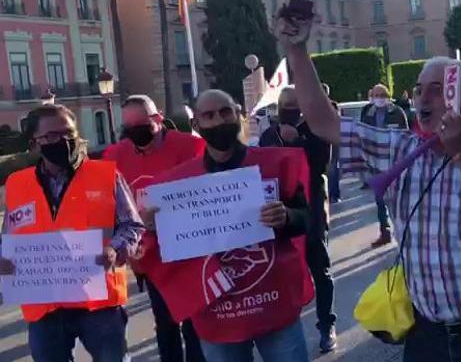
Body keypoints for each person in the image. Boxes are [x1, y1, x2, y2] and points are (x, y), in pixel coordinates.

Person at [277, 5, 461, 362]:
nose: (424, 98)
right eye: (419, 90)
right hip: (426, 337)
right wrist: (296, 49)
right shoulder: (399, 149)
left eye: (437, 89)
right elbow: (323, 122)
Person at [139, 90, 313, 362]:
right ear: (196, 126)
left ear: (238, 115)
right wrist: (152, 227)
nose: (219, 120)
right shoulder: (176, 186)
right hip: (217, 315)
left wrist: (287, 216)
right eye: (209, 116)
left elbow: (307, 218)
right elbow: (161, 251)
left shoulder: (275, 164)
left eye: (225, 112)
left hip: (274, 305)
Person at [0, 104, 145, 362]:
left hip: (98, 302)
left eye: (69, 133)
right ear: (35, 143)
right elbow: (9, 239)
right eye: (52, 136)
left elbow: (132, 225)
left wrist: (116, 248)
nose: (64, 141)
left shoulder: (105, 175)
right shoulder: (17, 184)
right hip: (45, 306)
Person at [103, 95, 206, 362]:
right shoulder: (114, 156)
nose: (135, 131)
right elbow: (107, 203)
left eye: (142, 123)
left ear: (157, 118)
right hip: (150, 257)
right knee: (165, 320)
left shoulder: (192, 146)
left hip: (191, 250)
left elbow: (210, 188)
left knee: (196, 320)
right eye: (128, 127)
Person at [258, 86, 338, 353]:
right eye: (285, 106)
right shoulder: (269, 135)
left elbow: (320, 164)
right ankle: (284, 326)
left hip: (312, 209)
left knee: (320, 268)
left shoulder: (315, 132)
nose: (289, 111)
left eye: (294, 106)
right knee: (282, 271)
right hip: (281, 213)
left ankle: (326, 324)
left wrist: (297, 141)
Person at [359, 83, 410, 247]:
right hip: (375, 164)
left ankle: (403, 233)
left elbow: (406, 136)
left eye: (382, 95)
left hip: (394, 163)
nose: (379, 98)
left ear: (388, 96)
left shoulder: (397, 112)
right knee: (380, 200)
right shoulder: (367, 113)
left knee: (398, 200)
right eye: (376, 95)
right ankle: (385, 232)